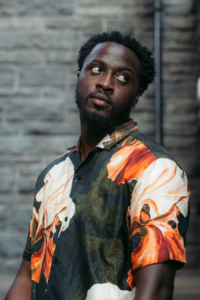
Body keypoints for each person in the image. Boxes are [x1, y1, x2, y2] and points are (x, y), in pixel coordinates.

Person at [5, 31, 190, 300]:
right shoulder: (53, 174)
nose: (105, 83)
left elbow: (156, 290)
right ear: (78, 78)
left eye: (122, 77)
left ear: (136, 97)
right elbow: (27, 276)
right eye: (96, 69)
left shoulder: (156, 170)